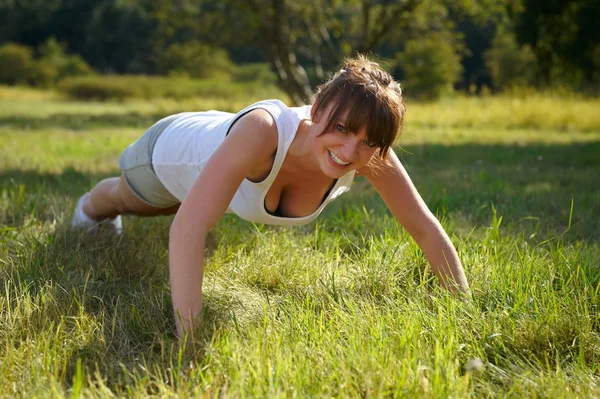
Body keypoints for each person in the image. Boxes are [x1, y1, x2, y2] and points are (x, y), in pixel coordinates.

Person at [71, 55, 470, 339]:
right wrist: (189, 342)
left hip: (218, 154)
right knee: (136, 201)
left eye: (367, 142)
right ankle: (89, 209)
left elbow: (423, 227)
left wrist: (463, 312)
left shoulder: (368, 153)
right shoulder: (264, 131)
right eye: (343, 128)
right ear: (317, 107)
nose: (350, 152)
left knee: (182, 205)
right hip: (171, 153)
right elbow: (189, 227)